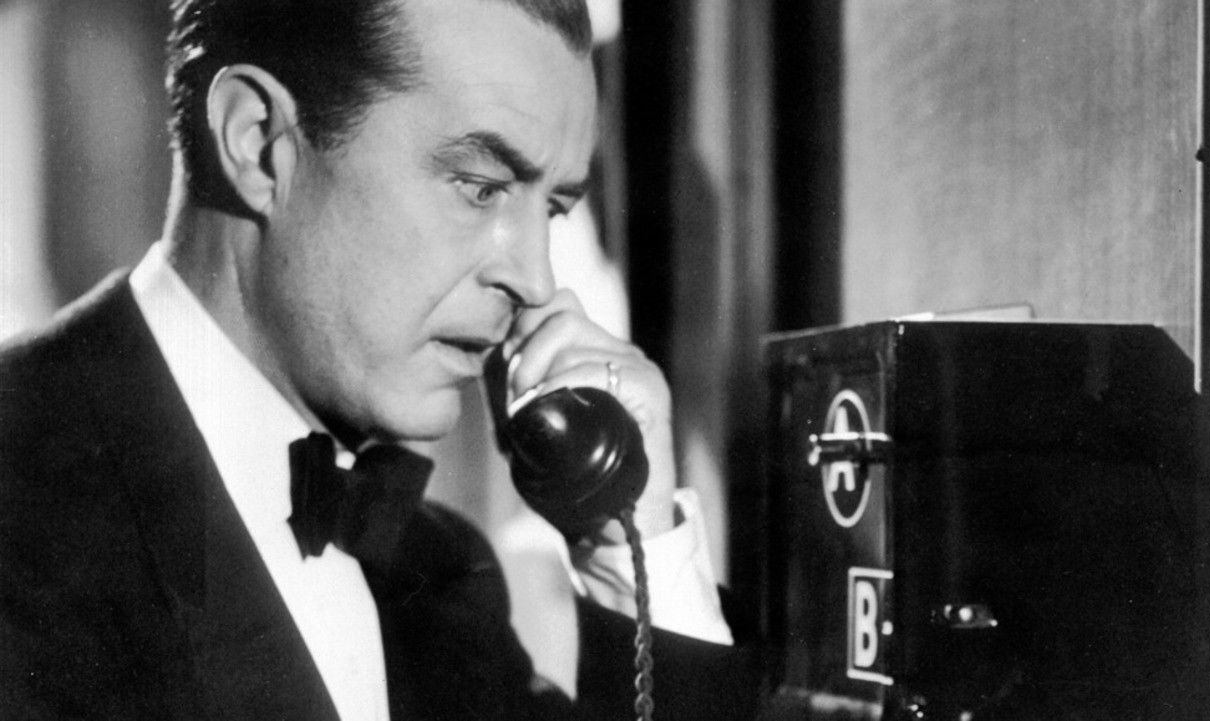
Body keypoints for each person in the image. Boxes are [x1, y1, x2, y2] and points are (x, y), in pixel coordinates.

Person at [0, 0, 759, 718]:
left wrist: (630, 552)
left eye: (553, 209)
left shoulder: (441, 575)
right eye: (480, 188)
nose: (535, 280)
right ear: (258, 143)